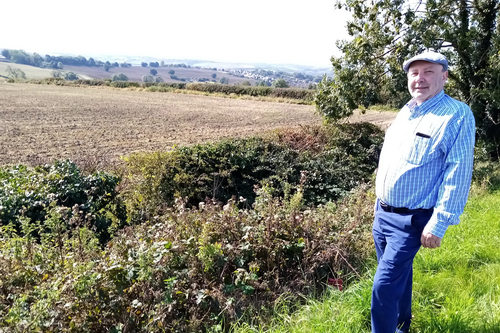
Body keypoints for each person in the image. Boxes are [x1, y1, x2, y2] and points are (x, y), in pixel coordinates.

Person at [371, 51, 475, 333]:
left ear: (445, 76)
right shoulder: (406, 111)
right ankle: (401, 328)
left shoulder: (456, 114)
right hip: (382, 214)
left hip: (411, 220)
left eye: (429, 72)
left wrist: (439, 223)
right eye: (414, 73)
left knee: (383, 287)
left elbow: (458, 170)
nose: (420, 79)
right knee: (398, 281)